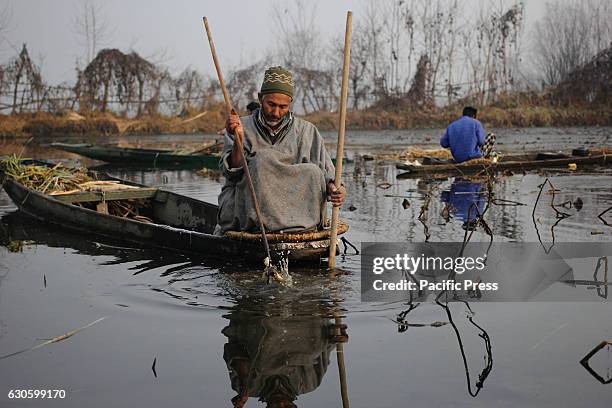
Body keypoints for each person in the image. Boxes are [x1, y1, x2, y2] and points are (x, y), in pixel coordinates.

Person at [215, 66, 346, 235]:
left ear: (290, 103)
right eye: (271, 104)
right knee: (262, 160)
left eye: (283, 107)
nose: (276, 112)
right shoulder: (240, 126)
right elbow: (230, 173)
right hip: (249, 215)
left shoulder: (307, 131)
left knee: (313, 172)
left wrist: (337, 190)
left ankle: (302, 227)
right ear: (260, 98)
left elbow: (328, 175)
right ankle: (265, 226)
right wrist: (238, 139)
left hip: (296, 218)